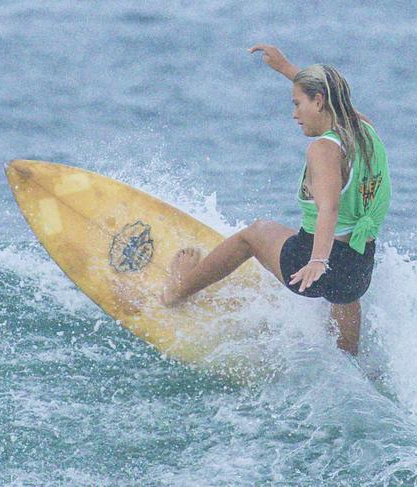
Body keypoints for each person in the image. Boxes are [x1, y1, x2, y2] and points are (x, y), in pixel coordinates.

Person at [162, 44, 391, 356]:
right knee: (343, 295)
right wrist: (286, 68)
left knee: (253, 235)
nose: (294, 114)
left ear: (319, 102)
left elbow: (329, 207)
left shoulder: (324, 149)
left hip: (315, 264)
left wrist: (317, 262)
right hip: (358, 268)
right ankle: (349, 357)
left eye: (298, 104)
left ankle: (177, 291)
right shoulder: (365, 130)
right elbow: (338, 105)